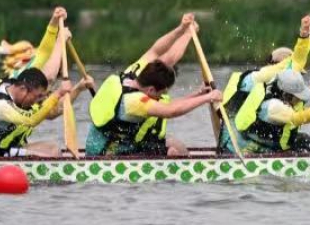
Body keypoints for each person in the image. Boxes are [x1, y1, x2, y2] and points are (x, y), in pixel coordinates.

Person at [85, 14, 223, 157]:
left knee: (176, 145)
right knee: (174, 151)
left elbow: (159, 52)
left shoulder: (134, 71)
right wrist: (208, 98)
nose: (161, 97)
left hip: (103, 143)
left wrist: (184, 31)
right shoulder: (136, 102)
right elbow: (171, 111)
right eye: (161, 94)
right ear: (151, 89)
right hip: (107, 153)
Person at [218, 13, 310, 154]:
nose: (298, 76)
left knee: (299, 139)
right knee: (303, 140)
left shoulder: (270, 85)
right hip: (240, 149)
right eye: (296, 73)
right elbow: (297, 61)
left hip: (244, 143)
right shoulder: (260, 81)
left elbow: (296, 97)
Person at [0, 67, 81, 158]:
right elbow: (31, 120)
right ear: (23, 89)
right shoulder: (0, 106)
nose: (37, 101)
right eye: (38, 96)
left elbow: (53, 111)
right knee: (52, 154)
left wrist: (79, 87)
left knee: (54, 149)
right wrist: (58, 93)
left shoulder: (15, 90)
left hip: (5, 149)